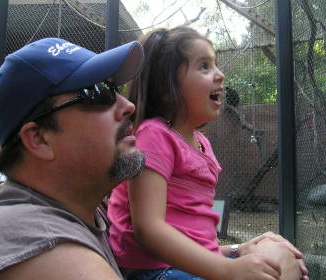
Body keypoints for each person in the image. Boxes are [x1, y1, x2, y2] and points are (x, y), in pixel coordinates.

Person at [107, 26, 309, 280]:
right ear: (166, 90)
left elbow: (198, 240)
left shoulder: (200, 143)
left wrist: (239, 250)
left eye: (215, 65)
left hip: (182, 267)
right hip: (153, 272)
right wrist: (229, 270)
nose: (220, 75)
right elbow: (148, 229)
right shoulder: (154, 135)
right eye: (204, 66)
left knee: (279, 258)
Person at [0, 37, 145, 280]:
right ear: (39, 139)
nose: (129, 106)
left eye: (116, 89)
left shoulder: (75, 210)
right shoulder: (42, 251)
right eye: (98, 93)